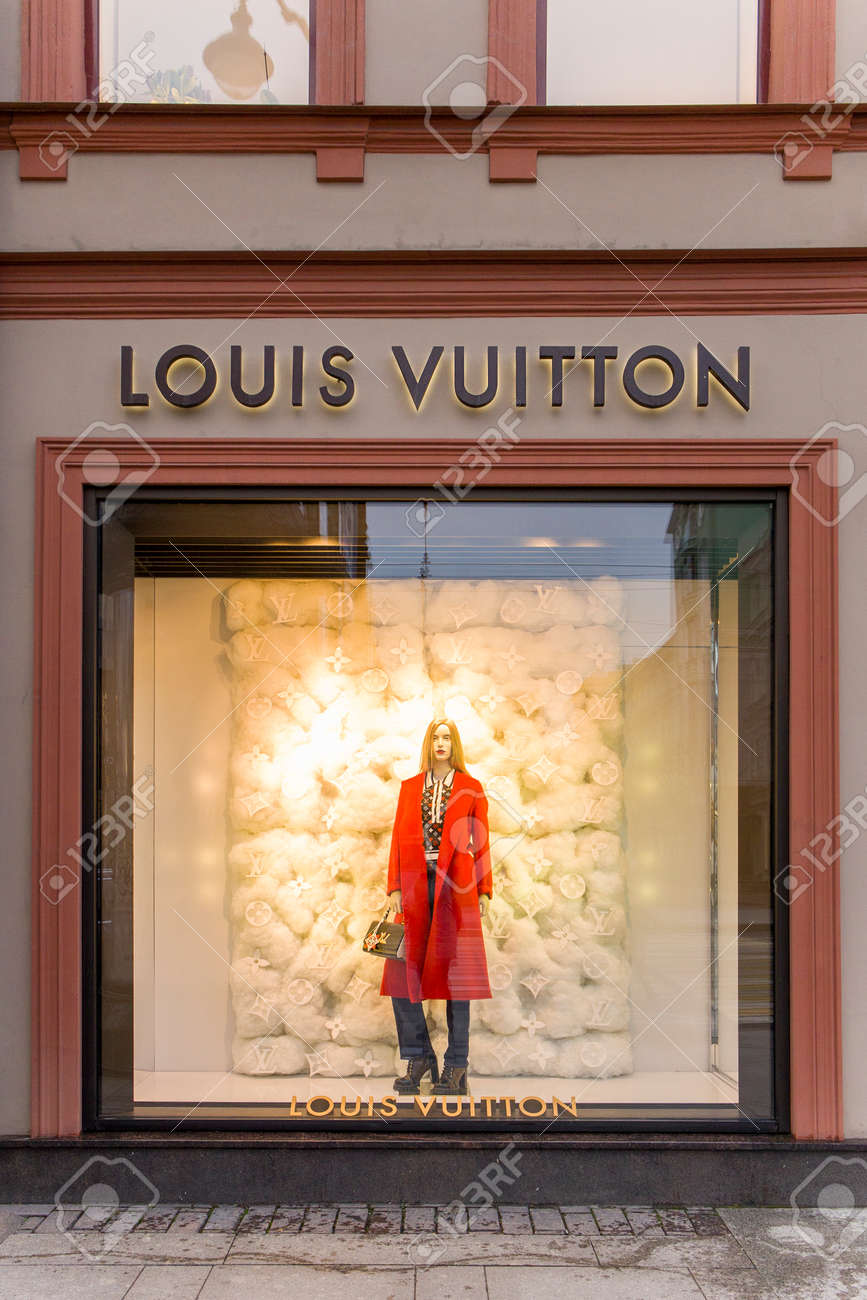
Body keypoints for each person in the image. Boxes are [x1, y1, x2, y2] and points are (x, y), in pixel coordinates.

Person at [380, 718, 492, 1095]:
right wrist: (394, 886)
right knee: (401, 975)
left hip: (455, 891)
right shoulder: (409, 787)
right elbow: (398, 837)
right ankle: (418, 1056)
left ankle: (456, 1066)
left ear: (454, 744)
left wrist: (484, 890)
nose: (441, 743)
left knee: (458, 979)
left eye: (447, 738)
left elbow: (482, 840)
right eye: (435, 737)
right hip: (413, 889)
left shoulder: (471, 787)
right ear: (427, 744)